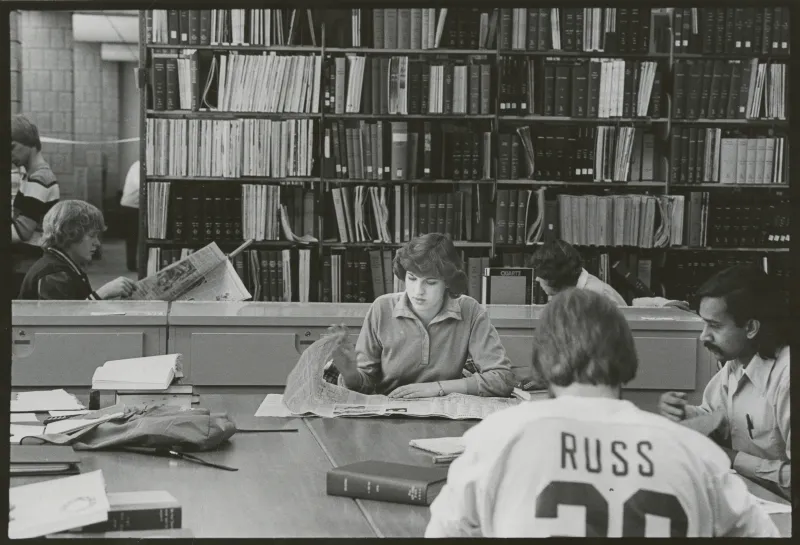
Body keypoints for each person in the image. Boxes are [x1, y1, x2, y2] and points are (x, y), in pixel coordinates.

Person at [426, 289, 779, 537]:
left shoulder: (496, 440)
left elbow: (444, 531)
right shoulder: (696, 453)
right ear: (628, 357)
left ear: (543, 363)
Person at [326, 233, 516, 398]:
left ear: (448, 283)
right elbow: (364, 384)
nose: (418, 291)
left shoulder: (470, 310)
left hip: (444, 414)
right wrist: (350, 374)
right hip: (386, 416)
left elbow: (502, 378)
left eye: (431, 282)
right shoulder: (382, 308)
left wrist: (437, 388)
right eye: (412, 278)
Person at [658, 264, 790, 499]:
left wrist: (731, 458)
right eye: (704, 323)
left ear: (751, 328)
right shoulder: (737, 361)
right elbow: (719, 417)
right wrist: (685, 415)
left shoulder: (787, 378)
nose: (703, 336)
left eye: (715, 326)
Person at [18, 200, 137, 301]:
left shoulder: (64, 266)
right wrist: (102, 294)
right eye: (92, 236)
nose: (97, 243)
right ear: (70, 234)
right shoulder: (53, 274)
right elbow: (63, 323)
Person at [530, 239, 689, 309]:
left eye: (542, 275)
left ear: (557, 276)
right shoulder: (568, 289)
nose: (537, 279)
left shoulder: (596, 297)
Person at [11, 114, 60, 296]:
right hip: (25, 260)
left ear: (30, 142)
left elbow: (22, 232)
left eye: (12, 147)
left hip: (27, 262)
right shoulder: (31, 175)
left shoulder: (39, 179)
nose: (9, 155)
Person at [120, 160, 140, 272]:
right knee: (132, 237)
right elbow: (140, 184)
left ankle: (133, 264)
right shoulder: (138, 166)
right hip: (131, 206)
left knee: (134, 237)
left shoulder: (138, 164)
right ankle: (131, 265)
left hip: (135, 205)